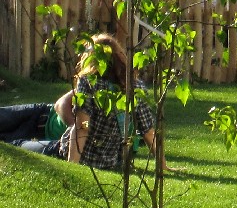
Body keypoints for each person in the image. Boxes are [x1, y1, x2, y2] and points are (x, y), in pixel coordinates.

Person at [0, 34, 168, 171]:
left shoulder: (89, 82)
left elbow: (82, 127)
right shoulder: (135, 87)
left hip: (72, 151)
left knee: (13, 146)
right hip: (105, 160)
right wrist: (163, 165)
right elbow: (149, 131)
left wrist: (73, 166)